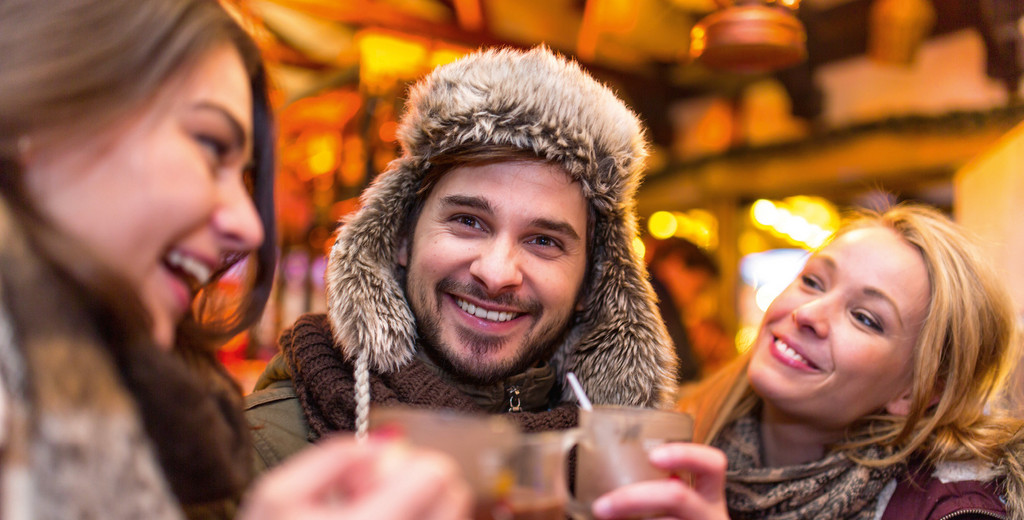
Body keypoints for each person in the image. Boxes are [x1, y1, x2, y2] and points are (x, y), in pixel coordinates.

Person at [0, 1, 470, 519]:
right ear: (41, 117)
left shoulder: (112, 407)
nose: (249, 227)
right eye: (209, 144)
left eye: (545, 240)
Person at [244, 45, 680, 470]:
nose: (495, 273)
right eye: (469, 221)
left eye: (544, 241)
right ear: (400, 236)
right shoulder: (260, 456)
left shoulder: (614, 473)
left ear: (591, 284)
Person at [592, 204, 1024, 520]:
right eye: (813, 282)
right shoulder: (672, 433)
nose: (808, 314)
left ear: (915, 393)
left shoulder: (953, 507)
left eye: (865, 318)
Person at [647, 237, 722, 383]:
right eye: (698, 290)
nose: (695, 300)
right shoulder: (658, 301)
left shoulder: (648, 296)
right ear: (676, 262)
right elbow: (684, 373)